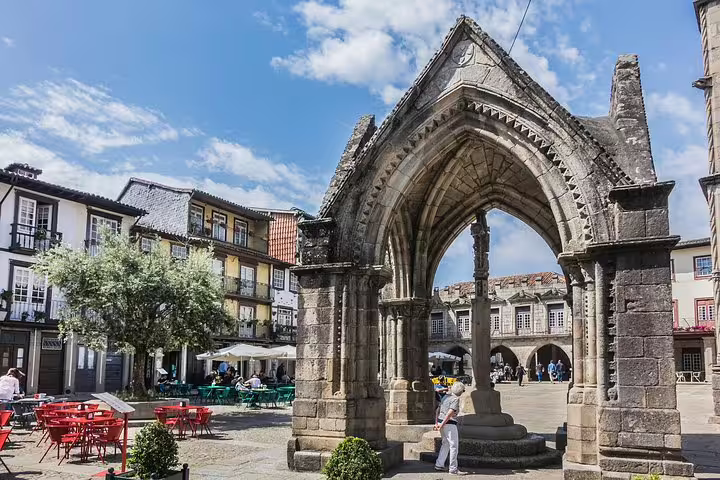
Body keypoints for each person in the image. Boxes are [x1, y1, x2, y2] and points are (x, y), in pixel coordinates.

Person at [433, 382, 468, 476]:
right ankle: (453, 468)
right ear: (461, 391)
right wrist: (442, 424)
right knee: (454, 446)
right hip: (449, 424)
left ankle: (439, 464)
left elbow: (437, 410)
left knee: (446, 444)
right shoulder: (455, 399)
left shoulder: (445, 397)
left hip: (441, 421)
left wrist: (437, 423)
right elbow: (450, 413)